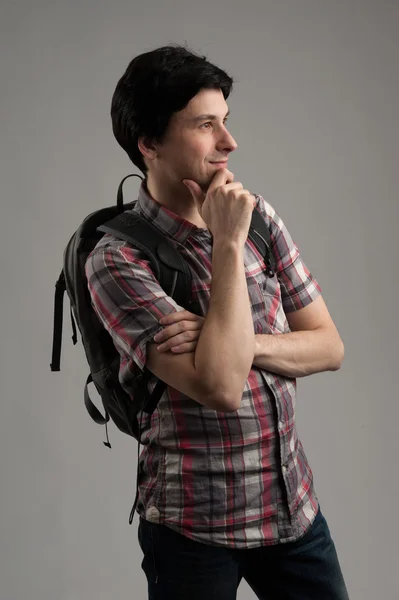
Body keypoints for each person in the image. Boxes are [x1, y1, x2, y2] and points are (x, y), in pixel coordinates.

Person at [85, 44, 349, 600]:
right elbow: (221, 386)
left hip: (291, 509)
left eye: (225, 122)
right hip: (192, 528)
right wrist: (225, 243)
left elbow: (329, 347)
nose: (229, 144)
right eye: (206, 125)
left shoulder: (259, 216)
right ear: (149, 143)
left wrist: (232, 342)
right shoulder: (116, 260)